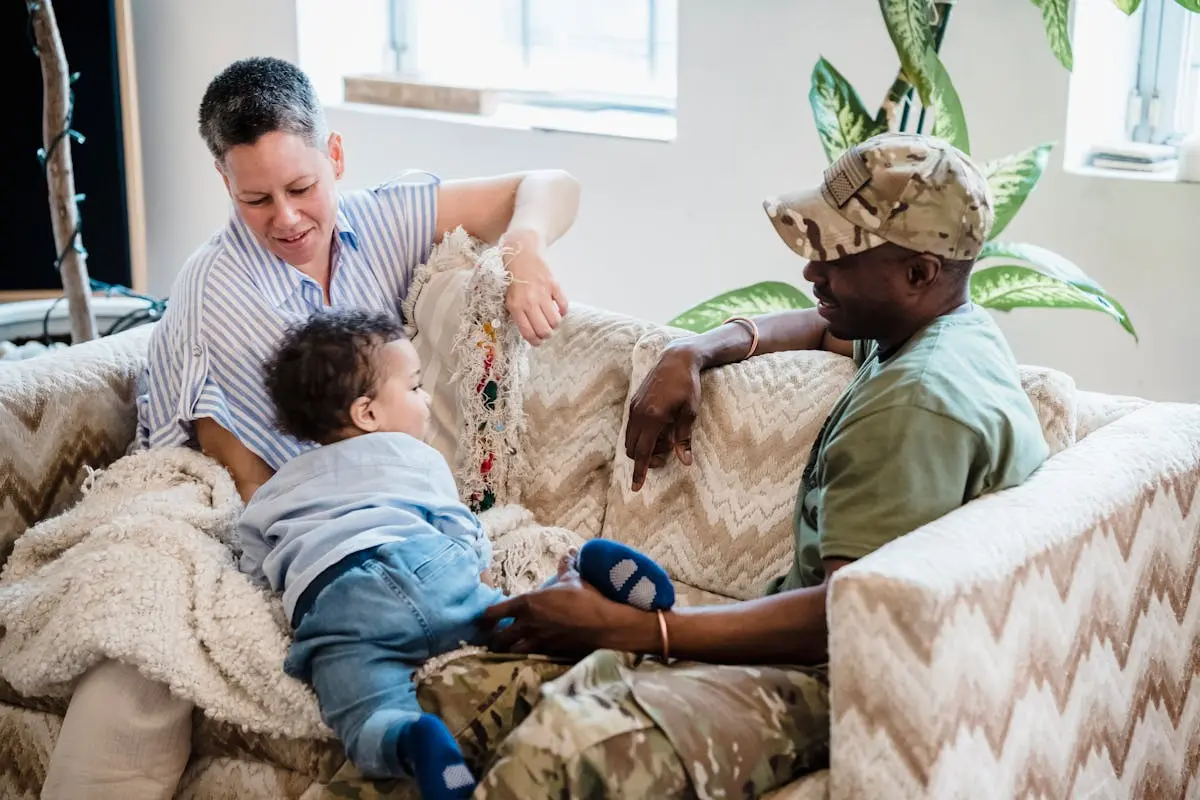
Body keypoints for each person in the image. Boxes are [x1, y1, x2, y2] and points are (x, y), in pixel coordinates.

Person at [40, 55, 581, 800]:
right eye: (256, 199)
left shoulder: (378, 218)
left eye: (302, 188)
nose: (287, 219)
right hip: (237, 491)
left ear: (335, 156)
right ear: (226, 184)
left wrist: (525, 248)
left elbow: (549, 183)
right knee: (146, 625)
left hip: (357, 489)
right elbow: (240, 476)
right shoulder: (218, 292)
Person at [462, 132, 1053, 798]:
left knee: (563, 754)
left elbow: (846, 621)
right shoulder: (945, 331)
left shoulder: (912, 407)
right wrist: (698, 351)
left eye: (836, 254)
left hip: (828, 679)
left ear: (917, 273)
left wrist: (630, 629)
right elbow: (821, 325)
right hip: (794, 646)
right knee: (463, 693)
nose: (812, 272)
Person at [238, 307, 675, 799]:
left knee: (363, 708)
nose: (426, 400)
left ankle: (413, 740)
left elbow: (253, 556)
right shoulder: (417, 457)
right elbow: (458, 525)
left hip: (342, 602)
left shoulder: (277, 489)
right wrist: (478, 571)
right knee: (508, 625)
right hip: (429, 566)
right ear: (368, 413)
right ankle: (587, 574)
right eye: (416, 387)